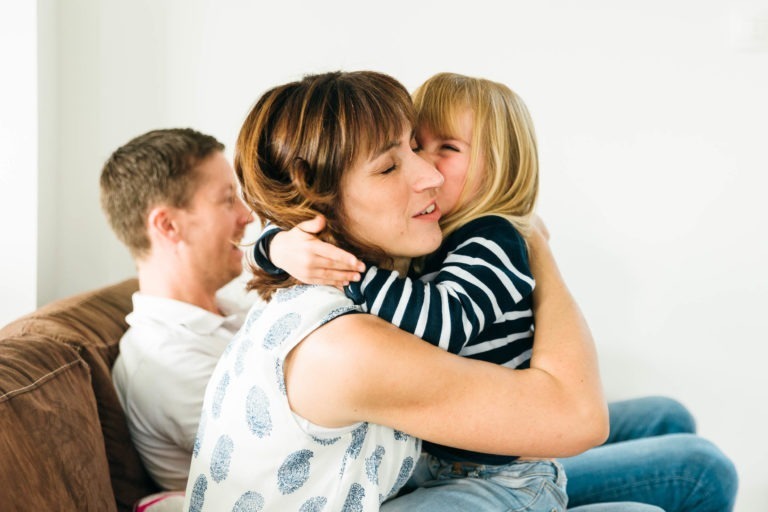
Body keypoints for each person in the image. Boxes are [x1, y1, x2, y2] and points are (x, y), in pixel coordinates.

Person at [255, 72, 738, 511]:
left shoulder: (490, 238)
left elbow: (443, 324)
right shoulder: (424, 246)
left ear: (501, 165)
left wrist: (346, 270)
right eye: (409, 151)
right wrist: (278, 245)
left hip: (502, 473)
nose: (428, 169)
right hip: (449, 464)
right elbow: (263, 245)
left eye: (446, 148)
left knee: (672, 442)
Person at [184, 70, 609, 512]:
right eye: (390, 165)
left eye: (417, 146)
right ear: (316, 198)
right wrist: (536, 245)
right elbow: (580, 419)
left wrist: (279, 242)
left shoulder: (310, 282)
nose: (432, 174)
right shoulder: (346, 346)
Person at [100, 128, 256, 491]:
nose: (247, 215)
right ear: (169, 225)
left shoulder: (232, 312)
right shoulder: (165, 362)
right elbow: (298, 459)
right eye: (227, 199)